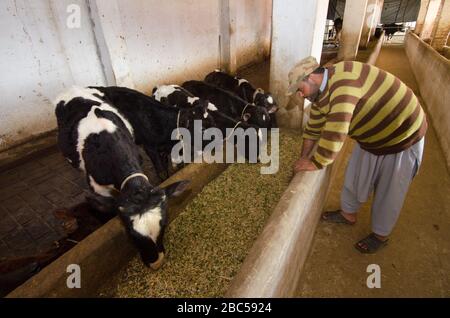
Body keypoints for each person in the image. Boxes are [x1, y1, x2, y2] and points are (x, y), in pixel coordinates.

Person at [286, 56, 427, 254]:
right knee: (355, 175)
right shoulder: (320, 95)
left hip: (402, 135)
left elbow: (337, 130)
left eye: (300, 89)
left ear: (312, 78)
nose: (300, 95)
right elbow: (313, 129)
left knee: (390, 190)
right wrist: (303, 158)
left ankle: (380, 236)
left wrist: (316, 162)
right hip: (372, 136)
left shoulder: (344, 84)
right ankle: (348, 214)